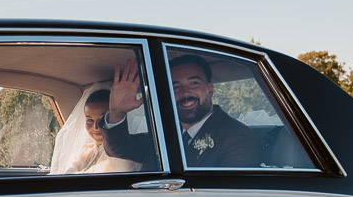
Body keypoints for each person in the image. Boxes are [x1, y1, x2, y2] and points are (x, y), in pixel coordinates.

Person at [100, 54, 260, 168]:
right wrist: (117, 112)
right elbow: (119, 149)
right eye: (175, 86)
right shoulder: (164, 133)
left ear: (210, 88)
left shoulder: (237, 136)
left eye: (194, 83)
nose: (184, 92)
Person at [49, 89, 138, 174]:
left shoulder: (121, 156)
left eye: (103, 119)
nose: (96, 127)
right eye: (90, 120)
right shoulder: (85, 151)